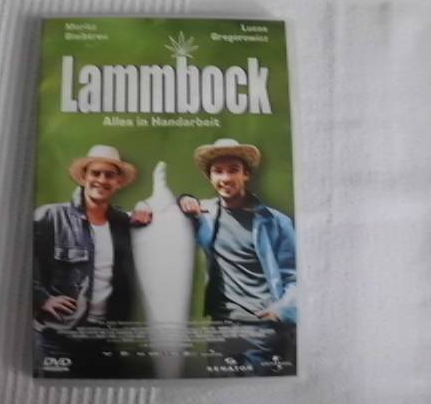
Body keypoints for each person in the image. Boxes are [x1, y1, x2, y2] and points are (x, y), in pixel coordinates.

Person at [178, 138, 297, 375]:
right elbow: (161, 215)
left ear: (246, 175)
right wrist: (182, 199)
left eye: (233, 170)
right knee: (219, 392)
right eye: (218, 171)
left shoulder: (277, 222)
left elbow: (295, 276)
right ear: (210, 177)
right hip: (221, 328)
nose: (226, 178)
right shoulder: (204, 215)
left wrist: (281, 311)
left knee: (259, 393)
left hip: (263, 328)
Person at [32, 145, 151, 378]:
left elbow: (149, 213)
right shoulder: (50, 216)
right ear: (84, 177)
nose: (102, 180)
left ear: (118, 182)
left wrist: (144, 207)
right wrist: (41, 299)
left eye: (109, 175)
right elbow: (17, 263)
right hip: (57, 337)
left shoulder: (121, 223)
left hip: (105, 337)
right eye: (96, 173)